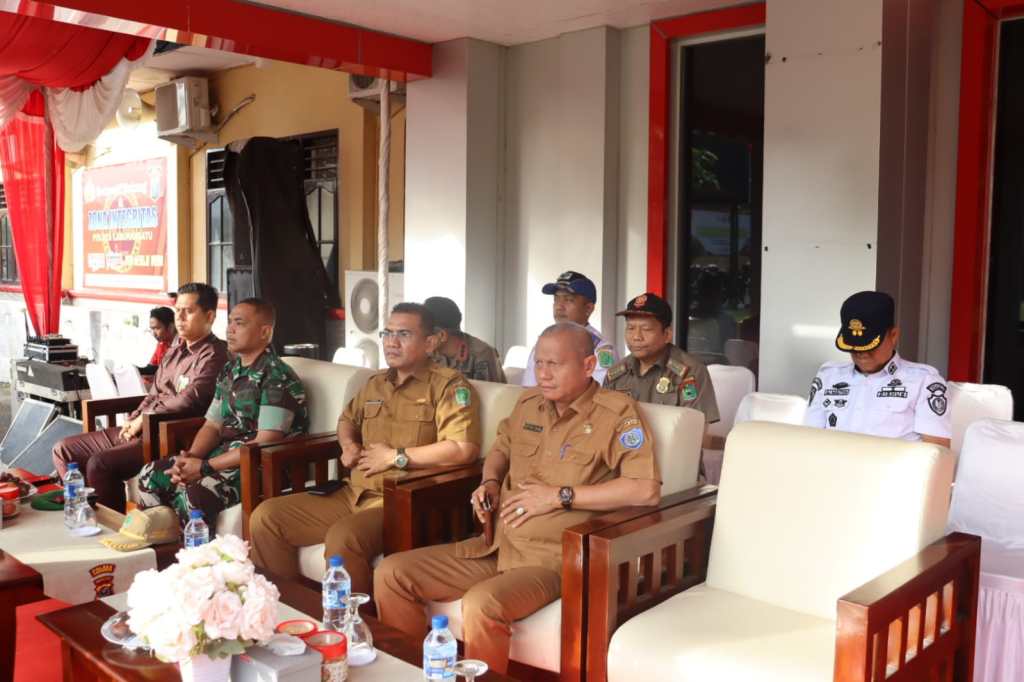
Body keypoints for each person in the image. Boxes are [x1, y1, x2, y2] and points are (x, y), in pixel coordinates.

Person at [374, 322, 659, 674]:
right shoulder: (528, 402)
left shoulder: (616, 414)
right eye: (539, 363)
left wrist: (560, 497)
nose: (543, 373)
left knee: (482, 603)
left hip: (552, 560)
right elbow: (501, 449)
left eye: (554, 364)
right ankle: (409, 675)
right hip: (495, 545)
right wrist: (490, 482)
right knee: (392, 573)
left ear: (588, 366)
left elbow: (645, 489)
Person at [249, 302, 482, 594]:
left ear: (431, 342)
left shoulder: (449, 387)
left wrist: (397, 457)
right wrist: (348, 444)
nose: (391, 342)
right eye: (387, 333)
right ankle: (290, 605)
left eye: (404, 334)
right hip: (353, 492)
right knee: (267, 517)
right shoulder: (375, 383)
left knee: (343, 538)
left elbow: (462, 449)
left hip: (401, 502)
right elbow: (347, 420)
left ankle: (353, 619)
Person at [52, 283, 229, 512]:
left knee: (100, 464)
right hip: (144, 427)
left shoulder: (214, 354)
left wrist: (144, 418)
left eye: (188, 311)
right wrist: (133, 418)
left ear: (210, 316)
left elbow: (189, 400)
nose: (180, 317)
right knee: (64, 450)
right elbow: (153, 392)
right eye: (177, 310)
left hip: (171, 435)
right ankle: (84, 511)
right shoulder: (175, 348)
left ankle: (111, 525)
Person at [135, 298, 307, 530]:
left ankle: (198, 551)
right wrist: (190, 459)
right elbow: (212, 425)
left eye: (239, 323)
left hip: (262, 465)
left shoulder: (276, 375)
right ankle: (164, 543)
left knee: (195, 495)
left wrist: (204, 467)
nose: (230, 329)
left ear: (265, 332)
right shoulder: (230, 370)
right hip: (224, 457)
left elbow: (265, 442)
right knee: (150, 475)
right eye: (229, 322)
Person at [805, 291, 951, 446]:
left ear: (894, 336)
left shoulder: (924, 381)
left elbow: (937, 451)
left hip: (892, 462)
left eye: (869, 345)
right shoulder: (828, 376)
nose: (861, 352)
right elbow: (809, 439)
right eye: (854, 345)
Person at [604, 292, 720, 424]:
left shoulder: (690, 372)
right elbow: (604, 423)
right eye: (630, 328)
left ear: (667, 334)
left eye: (646, 329)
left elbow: (697, 429)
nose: (636, 337)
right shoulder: (617, 374)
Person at [521, 271, 618, 387]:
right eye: (556, 299)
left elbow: (600, 393)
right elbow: (528, 388)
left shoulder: (600, 348)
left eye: (568, 300)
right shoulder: (544, 341)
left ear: (588, 308)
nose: (559, 306)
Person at [423, 296, 506, 383]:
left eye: (423, 332)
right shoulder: (429, 352)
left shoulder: (481, 354)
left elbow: (490, 391)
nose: (420, 337)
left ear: (442, 335)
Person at [139, 306, 176, 376]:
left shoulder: (184, 346)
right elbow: (152, 368)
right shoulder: (161, 344)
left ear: (171, 327)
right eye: (152, 329)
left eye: (157, 328)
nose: (154, 333)